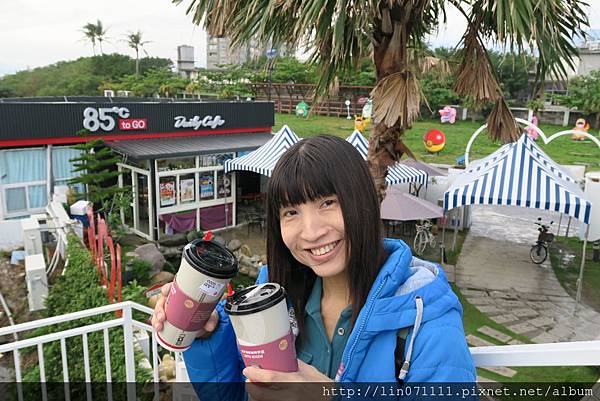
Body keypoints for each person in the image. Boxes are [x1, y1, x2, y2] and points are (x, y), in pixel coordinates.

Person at [152, 135, 476, 400]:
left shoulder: (426, 319)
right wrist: (208, 335)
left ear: (363, 201)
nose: (311, 232)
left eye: (327, 203)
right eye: (291, 212)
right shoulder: (273, 301)